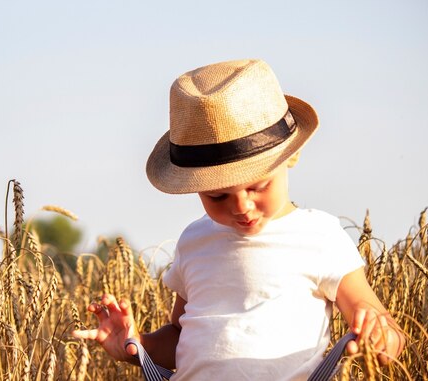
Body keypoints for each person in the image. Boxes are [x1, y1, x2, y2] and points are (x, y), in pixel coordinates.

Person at [72, 59, 405, 380]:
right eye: (217, 197)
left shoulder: (319, 236)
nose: (241, 206)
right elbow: (181, 338)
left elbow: (386, 331)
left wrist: (379, 338)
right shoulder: (194, 239)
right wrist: (136, 344)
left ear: (290, 157)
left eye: (258, 186)